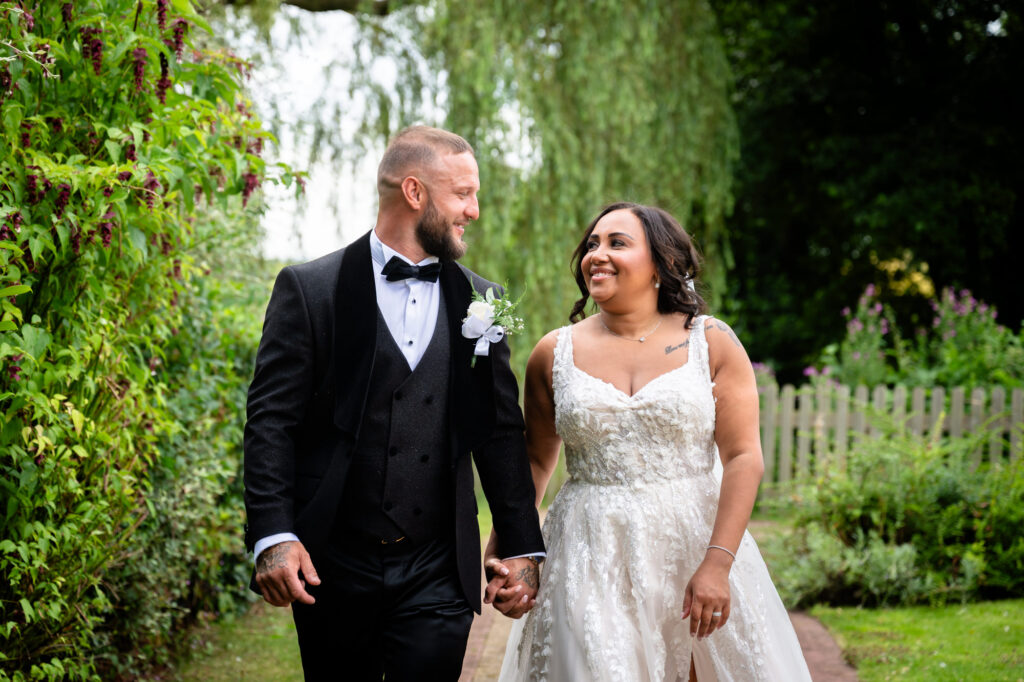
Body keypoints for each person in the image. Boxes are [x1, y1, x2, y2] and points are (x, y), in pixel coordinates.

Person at [243, 125, 545, 681]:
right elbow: (271, 423)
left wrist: (524, 546)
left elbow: (501, 431)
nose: (474, 211)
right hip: (330, 562)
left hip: (437, 567)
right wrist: (274, 535)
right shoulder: (310, 290)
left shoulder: (485, 302)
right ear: (414, 192)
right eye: (463, 194)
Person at [490, 203, 812, 681]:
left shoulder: (713, 341)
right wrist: (513, 554)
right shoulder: (553, 352)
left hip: (695, 541)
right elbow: (535, 463)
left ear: (661, 264)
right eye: (592, 244)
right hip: (588, 547)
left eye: (617, 243)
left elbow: (744, 458)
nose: (597, 254)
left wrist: (717, 564)